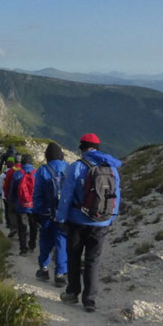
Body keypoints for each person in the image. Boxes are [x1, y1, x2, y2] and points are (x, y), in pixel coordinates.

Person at [55, 133, 121, 313]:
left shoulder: (76, 167)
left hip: (78, 220)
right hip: (102, 222)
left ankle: (72, 292)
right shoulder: (112, 168)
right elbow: (116, 195)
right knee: (93, 260)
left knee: (74, 256)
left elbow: (66, 195)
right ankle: (90, 300)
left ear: (82, 147)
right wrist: (111, 216)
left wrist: (61, 218)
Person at [33, 142, 68, 286]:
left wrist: (37, 212)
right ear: (61, 155)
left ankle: (44, 268)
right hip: (63, 215)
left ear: (47, 156)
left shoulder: (42, 170)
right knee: (62, 242)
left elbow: (37, 194)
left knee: (45, 241)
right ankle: (60, 274)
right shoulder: (68, 168)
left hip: (46, 214)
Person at [9, 153, 37, 255]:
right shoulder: (36, 173)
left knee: (22, 227)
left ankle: (23, 249)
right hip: (34, 206)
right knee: (33, 226)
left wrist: (12, 202)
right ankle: (32, 245)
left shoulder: (17, 174)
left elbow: (12, 190)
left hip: (20, 205)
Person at [2, 154, 22, 238]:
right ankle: (23, 228)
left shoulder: (10, 171)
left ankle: (13, 227)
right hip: (22, 196)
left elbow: (6, 185)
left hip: (12, 196)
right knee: (21, 213)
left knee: (11, 212)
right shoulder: (25, 170)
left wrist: (6, 195)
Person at [0, 156, 15, 232]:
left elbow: (0, 185)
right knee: (13, 210)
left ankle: (8, 223)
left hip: (5, 194)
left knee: (7, 209)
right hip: (13, 195)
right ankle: (14, 224)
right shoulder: (16, 173)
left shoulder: (3, 175)